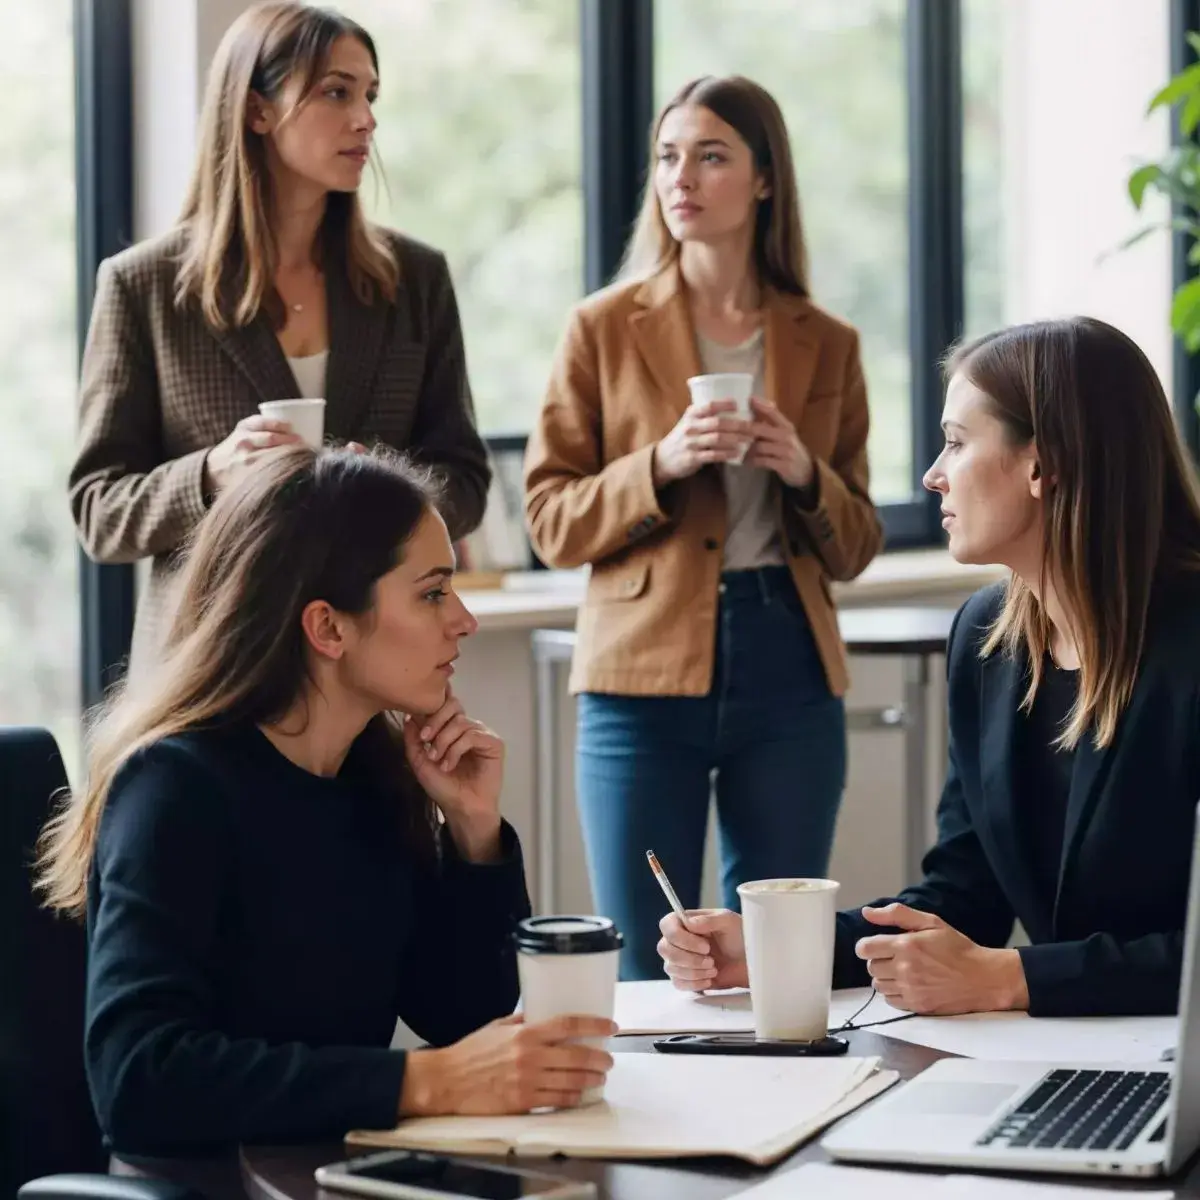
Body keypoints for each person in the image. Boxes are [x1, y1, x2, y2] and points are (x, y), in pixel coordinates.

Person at [37, 446, 614, 1157]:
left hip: (330, 1169)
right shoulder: (173, 789)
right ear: (328, 628)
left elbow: (464, 1014)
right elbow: (139, 1081)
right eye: (432, 592)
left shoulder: (370, 777)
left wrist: (473, 833)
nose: (462, 619)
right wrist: (423, 1083)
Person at [658, 316, 1200, 1018]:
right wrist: (778, 949)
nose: (932, 475)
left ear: (1044, 464)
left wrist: (1015, 979)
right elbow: (961, 898)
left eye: (955, 443)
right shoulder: (986, 640)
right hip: (1076, 1049)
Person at [524, 75, 882, 979]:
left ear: (764, 180)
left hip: (789, 665)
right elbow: (549, 522)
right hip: (638, 673)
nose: (680, 176)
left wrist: (803, 471)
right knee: (656, 962)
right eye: (668, 156)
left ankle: (782, 1122)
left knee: (782, 958)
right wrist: (662, 462)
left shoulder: (826, 339)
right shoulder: (600, 328)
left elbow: (858, 542)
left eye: (711, 155)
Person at [70, 2, 490, 677]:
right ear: (258, 110)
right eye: (336, 92)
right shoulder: (143, 287)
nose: (366, 118)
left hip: (370, 674)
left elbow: (465, 480)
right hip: (208, 676)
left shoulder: (415, 280)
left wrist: (378, 489)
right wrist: (212, 476)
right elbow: (99, 509)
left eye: (370, 94)